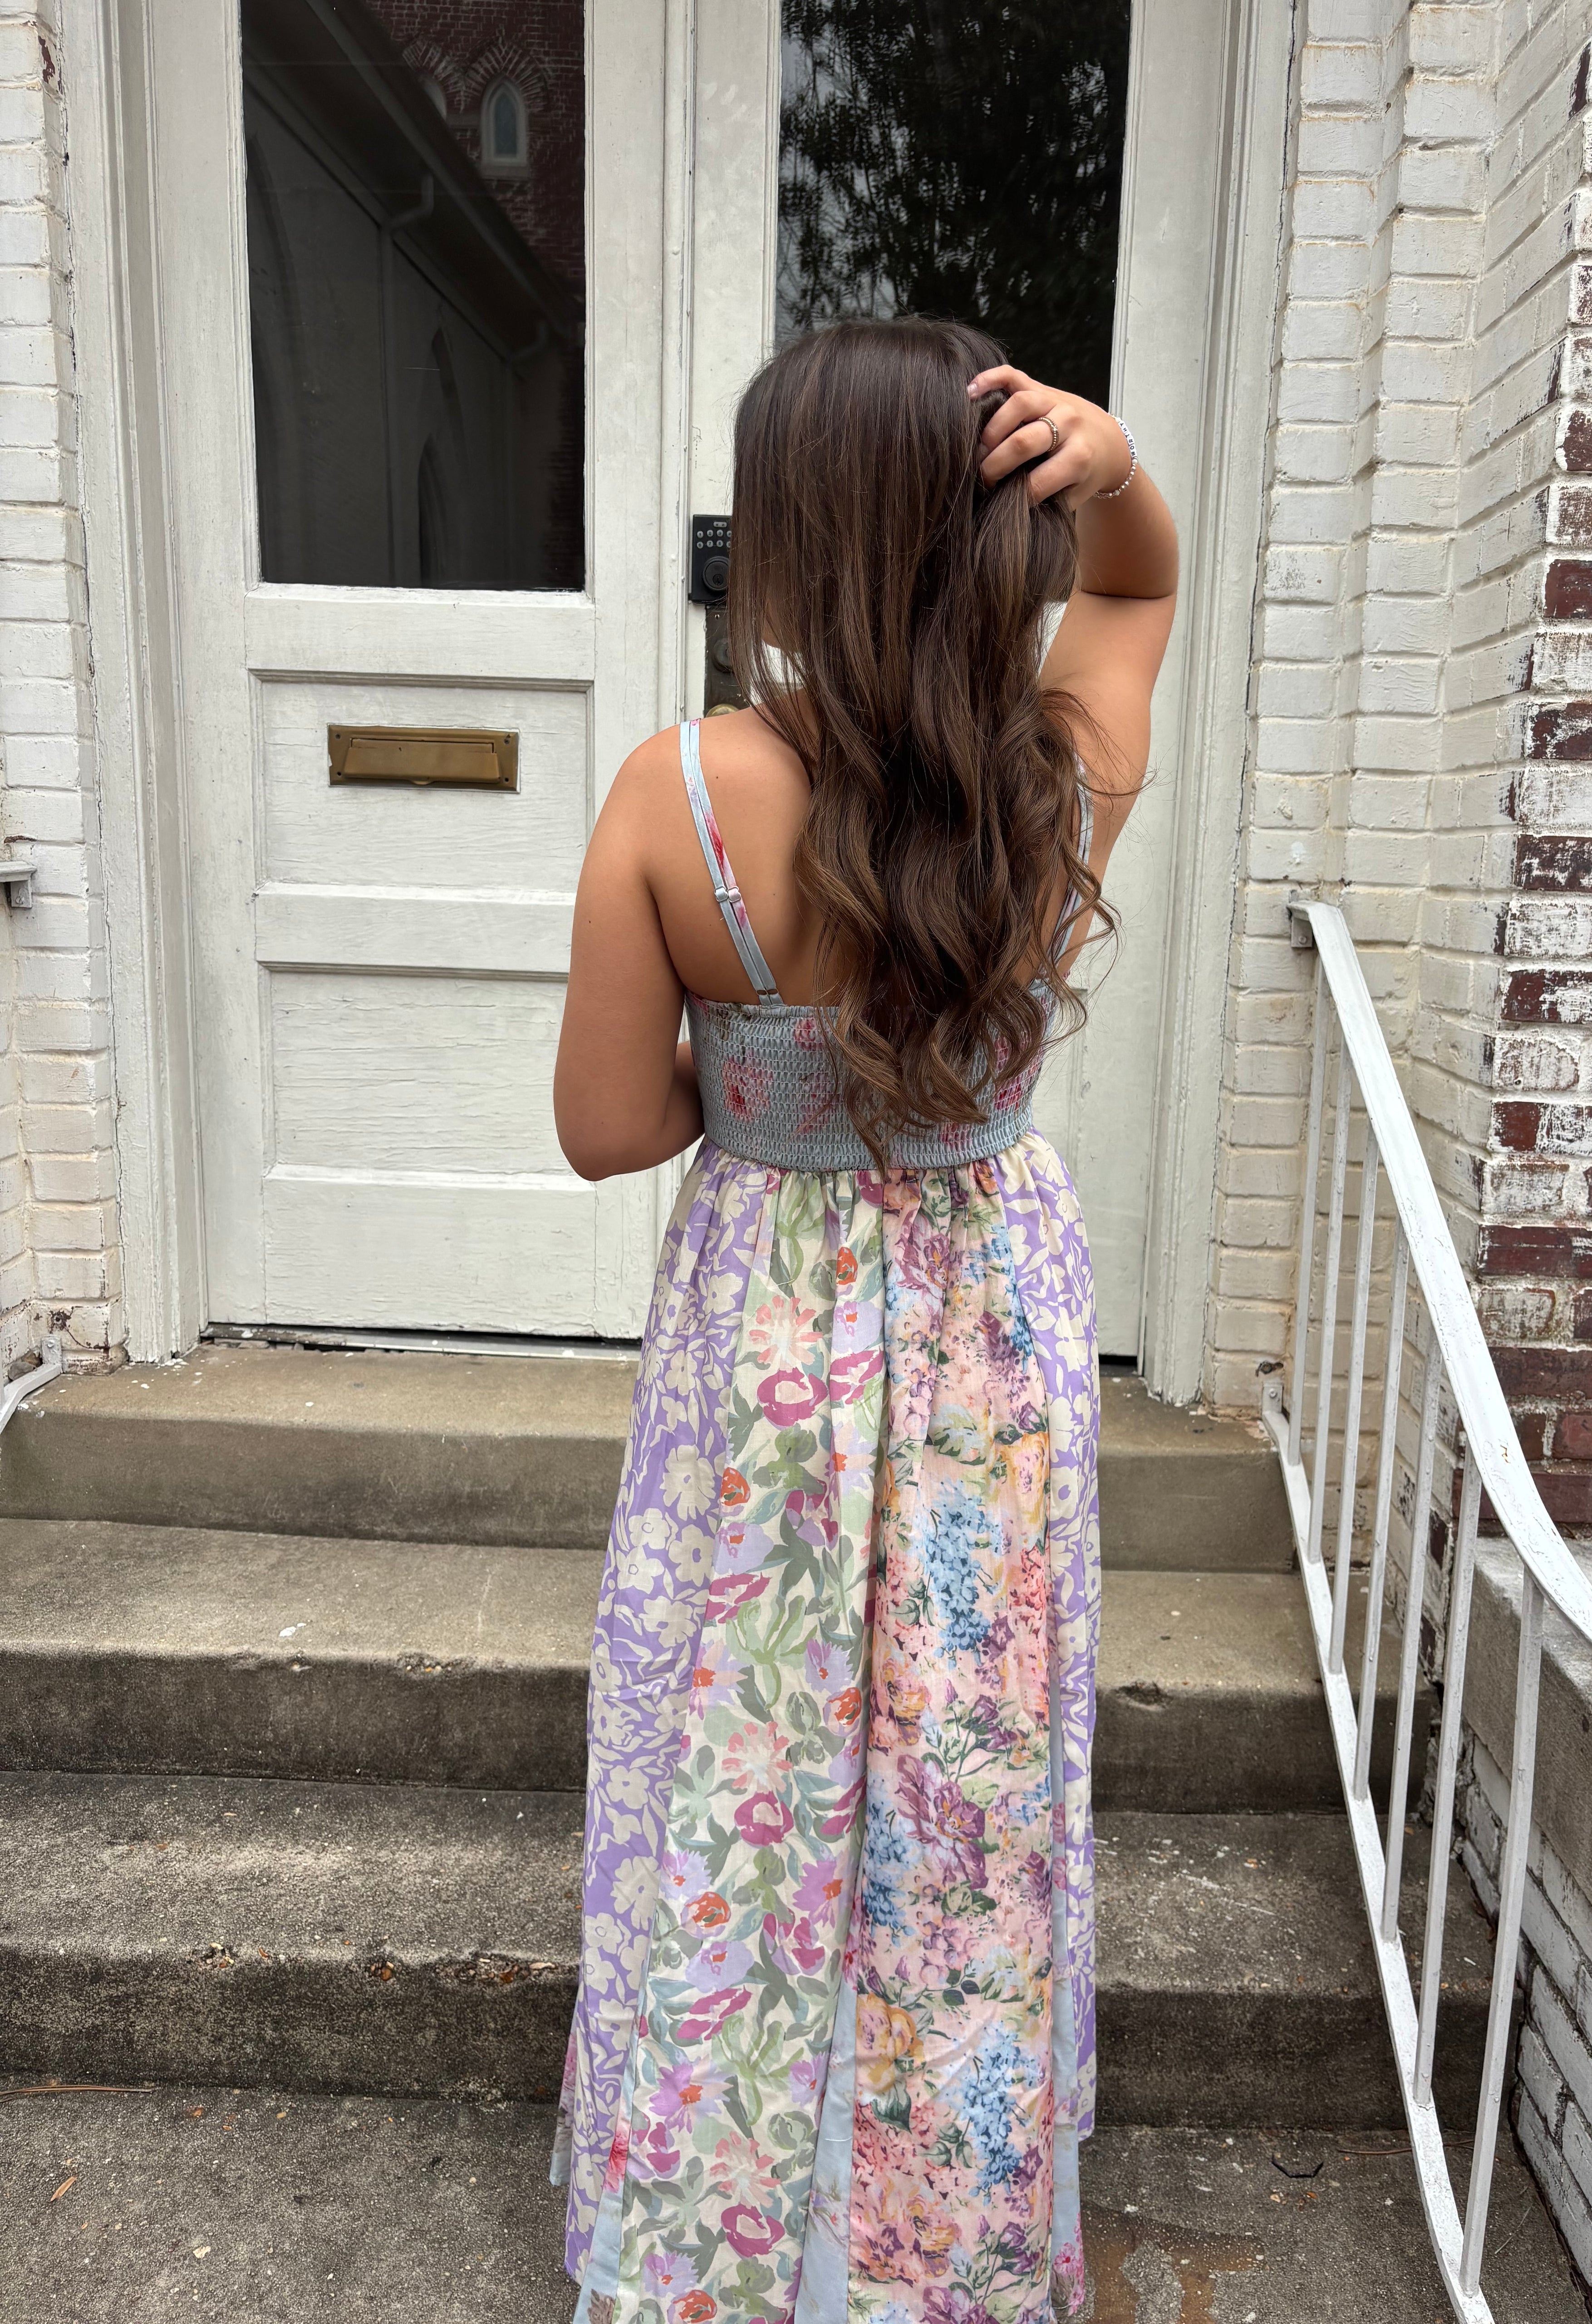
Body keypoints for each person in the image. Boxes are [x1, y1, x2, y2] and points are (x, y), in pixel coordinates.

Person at [548, 317, 1178, 2324]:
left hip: (771, 1349)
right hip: (990, 1333)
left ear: (795, 541)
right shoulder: (1048, 777)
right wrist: (1117, 472)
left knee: (737, 1742)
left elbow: (605, 1125)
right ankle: (935, 2235)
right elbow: (1141, 589)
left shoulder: (678, 790)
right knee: (959, 1773)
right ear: (1004, 536)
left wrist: (763, 1078)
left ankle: (714, 2222)